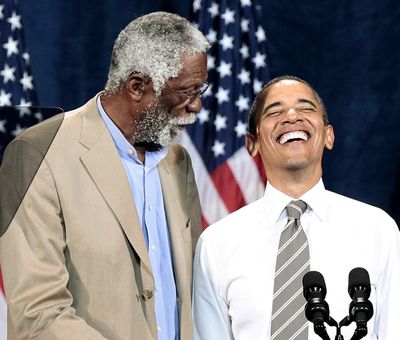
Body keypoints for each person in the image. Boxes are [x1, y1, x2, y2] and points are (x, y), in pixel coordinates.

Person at [0, 12, 210, 340]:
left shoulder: (178, 161)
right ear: (137, 86)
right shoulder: (40, 153)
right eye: (185, 92)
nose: (195, 106)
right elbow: (37, 314)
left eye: (200, 90)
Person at [192, 75, 400, 340]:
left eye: (305, 108)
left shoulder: (377, 229)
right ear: (251, 144)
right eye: (275, 111)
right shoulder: (217, 244)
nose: (291, 116)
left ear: (328, 136)